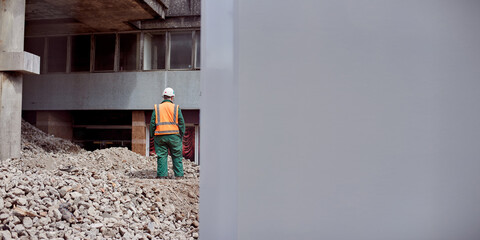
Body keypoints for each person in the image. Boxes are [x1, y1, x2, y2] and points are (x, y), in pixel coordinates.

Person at [150, 87, 185, 179]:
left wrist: (152, 134)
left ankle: (162, 175)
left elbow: (152, 123)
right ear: (172, 97)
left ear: (164, 97)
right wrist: (181, 134)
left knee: (162, 156)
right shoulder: (176, 108)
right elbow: (181, 123)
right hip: (174, 136)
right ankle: (179, 175)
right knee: (177, 156)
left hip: (160, 136)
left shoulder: (157, 108)